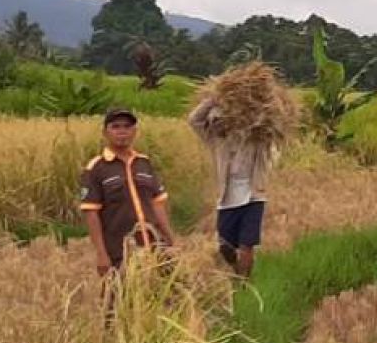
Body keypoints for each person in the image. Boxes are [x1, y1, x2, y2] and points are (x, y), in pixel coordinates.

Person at [78, 107, 176, 277]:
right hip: (119, 250)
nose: (122, 132)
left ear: (134, 131)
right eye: (115, 127)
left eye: (127, 127)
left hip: (152, 246)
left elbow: (157, 205)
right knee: (120, 298)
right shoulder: (96, 168)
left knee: (163, 296)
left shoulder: (144, 163)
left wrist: (170, 241)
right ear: (105, 132)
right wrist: (101, 254)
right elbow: (91, 214)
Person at [188, 97, 275, 280]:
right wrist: (213, 99)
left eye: (222, 121)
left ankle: (245, 282)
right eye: (217, 122)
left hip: (254, 196)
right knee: (224, 245)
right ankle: (237, 270)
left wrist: (255, 103)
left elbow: (271, 122)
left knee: (247, 244)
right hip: (227, 198)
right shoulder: (216, 141)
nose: (219, 124)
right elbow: (194, 120)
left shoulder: (256, 138)